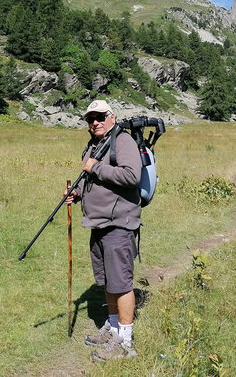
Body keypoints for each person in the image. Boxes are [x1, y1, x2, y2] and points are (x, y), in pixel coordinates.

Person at [65, 99, 141, 361]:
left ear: (112, 117)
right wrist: (76, 193)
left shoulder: (123, 142)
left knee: (121, 282)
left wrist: (95, 167)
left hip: (118, 223)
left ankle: (126, 343)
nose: (95, 122)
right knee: (108, 280)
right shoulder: (93, 145)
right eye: (90, 119)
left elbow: (132, 176)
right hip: (97, 223)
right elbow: (89, 179)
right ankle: (113, 328)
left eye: (99, 117)